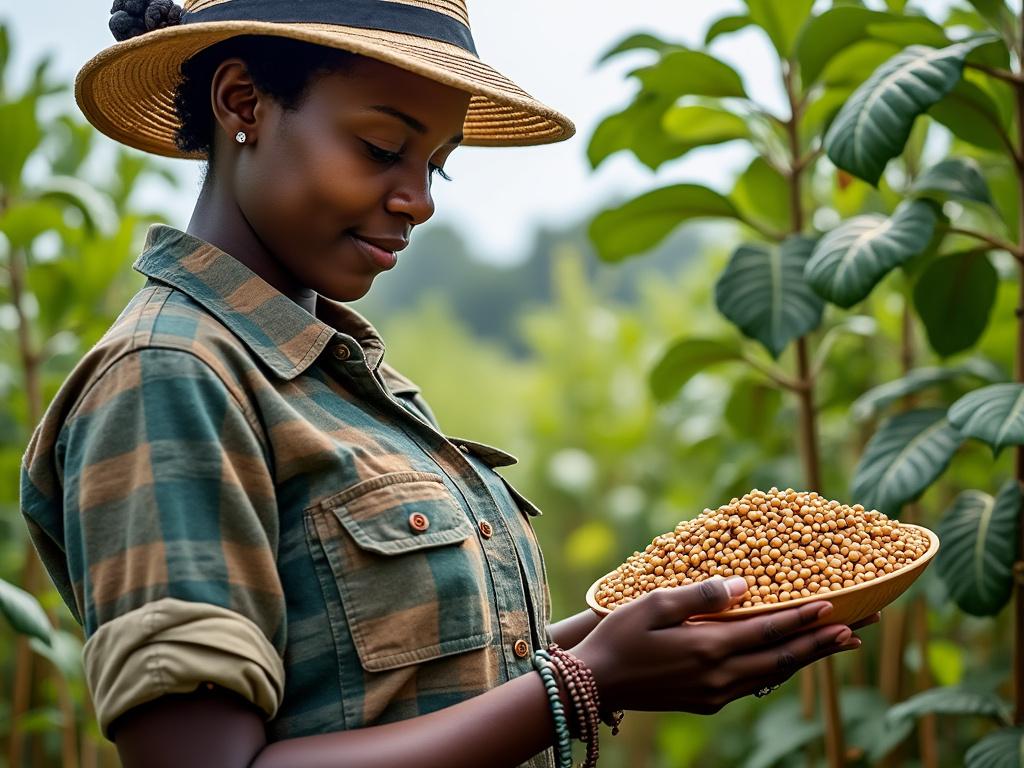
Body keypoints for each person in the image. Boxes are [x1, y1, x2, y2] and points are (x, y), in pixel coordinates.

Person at [18, 2, 874, 766]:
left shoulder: (337, 376)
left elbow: (409, 685)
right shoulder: (172, 377)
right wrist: (583, 685)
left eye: (439, 165)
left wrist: (627, 642)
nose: (419, 200)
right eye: (382, 149)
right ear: (242, 102)